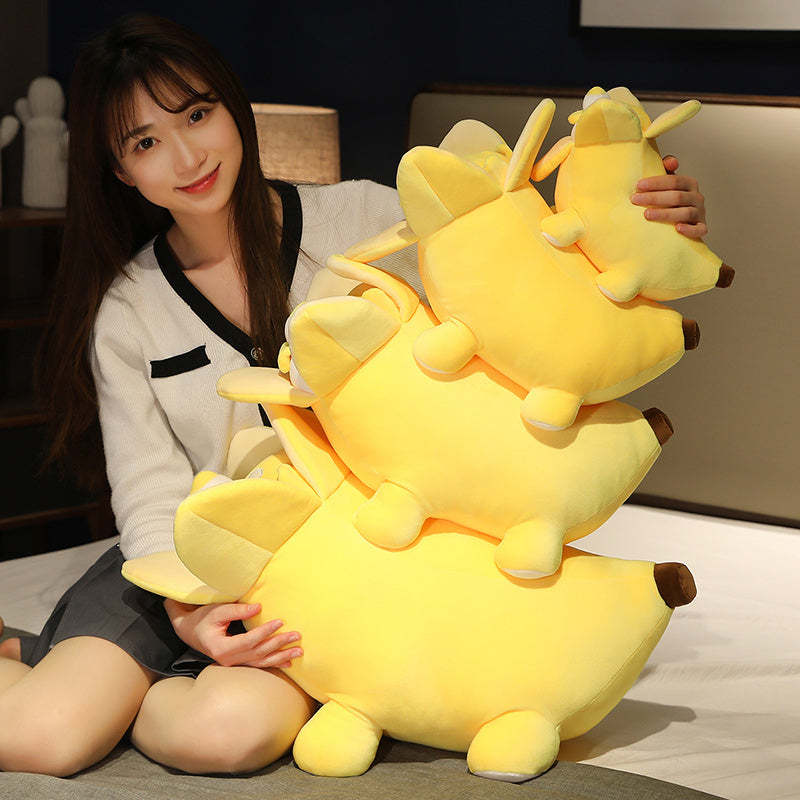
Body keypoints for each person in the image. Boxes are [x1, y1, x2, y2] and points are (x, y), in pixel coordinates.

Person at [0, 13, 709, 778]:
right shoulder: (129, 307)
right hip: (182, 566)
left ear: (233, 106)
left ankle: (114, 688)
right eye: (144, 143)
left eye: (197, 115)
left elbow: (537, 275)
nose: (186, 156)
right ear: (119, 170)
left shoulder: (369, 220)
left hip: (333, 576)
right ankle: (69, 670)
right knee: (44, 741)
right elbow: (147, 486)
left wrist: (649, 228)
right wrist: (189, 610)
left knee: (230, 733)